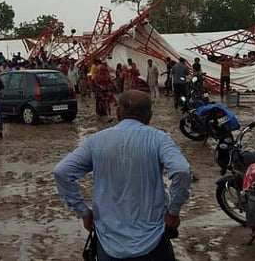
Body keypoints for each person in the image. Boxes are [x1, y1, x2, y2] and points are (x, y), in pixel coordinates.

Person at [53, 90, 191, 260]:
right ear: (149, 116)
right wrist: (173, 212)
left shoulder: (96, 140)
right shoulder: (159, 139)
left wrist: (84, 211)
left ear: (118, 113)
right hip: (153, 240)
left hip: (108, 242)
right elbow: (182, 170)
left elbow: (62, 172)